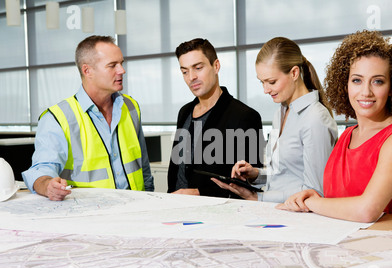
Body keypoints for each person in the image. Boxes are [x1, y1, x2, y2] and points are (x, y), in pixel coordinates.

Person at [278, 30, 392, 222]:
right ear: (345, 85)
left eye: (378, 81)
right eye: (357, 80)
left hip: (385, 245)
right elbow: (337, 200)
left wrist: (312, 203)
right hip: (340, 243)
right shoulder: (347, 135)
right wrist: (311, 196)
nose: (366, 91)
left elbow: (367, 211)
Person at [22, 35, 154, 201]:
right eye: (112, 65)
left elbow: (144, 168)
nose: (122, 70)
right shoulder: (57, 118)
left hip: (138, 210)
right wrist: (48, 186)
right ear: (87, 71)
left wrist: (152, 199)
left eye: (121, 63)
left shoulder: (131, 106)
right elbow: (41, 171)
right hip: (89, 218)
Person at [212, 37, 338, 203]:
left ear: (294, 73)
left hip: (301, 219)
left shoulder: (315, 118)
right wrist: (255, 174)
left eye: (271, 82)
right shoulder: (281, 113)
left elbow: (315, 191)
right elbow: (284, 174)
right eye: (262, 82)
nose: (265, 89)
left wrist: (259, 197)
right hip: (276, 213)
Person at [168, 38, 264, 198]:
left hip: (218, 216)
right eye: (185, 71)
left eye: (198, 68)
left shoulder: (245, 116)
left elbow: (248, 185)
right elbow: (177, 170)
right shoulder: (184, 112)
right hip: (175, 210)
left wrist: (199, 193)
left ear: (216, 66)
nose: (191, 77)